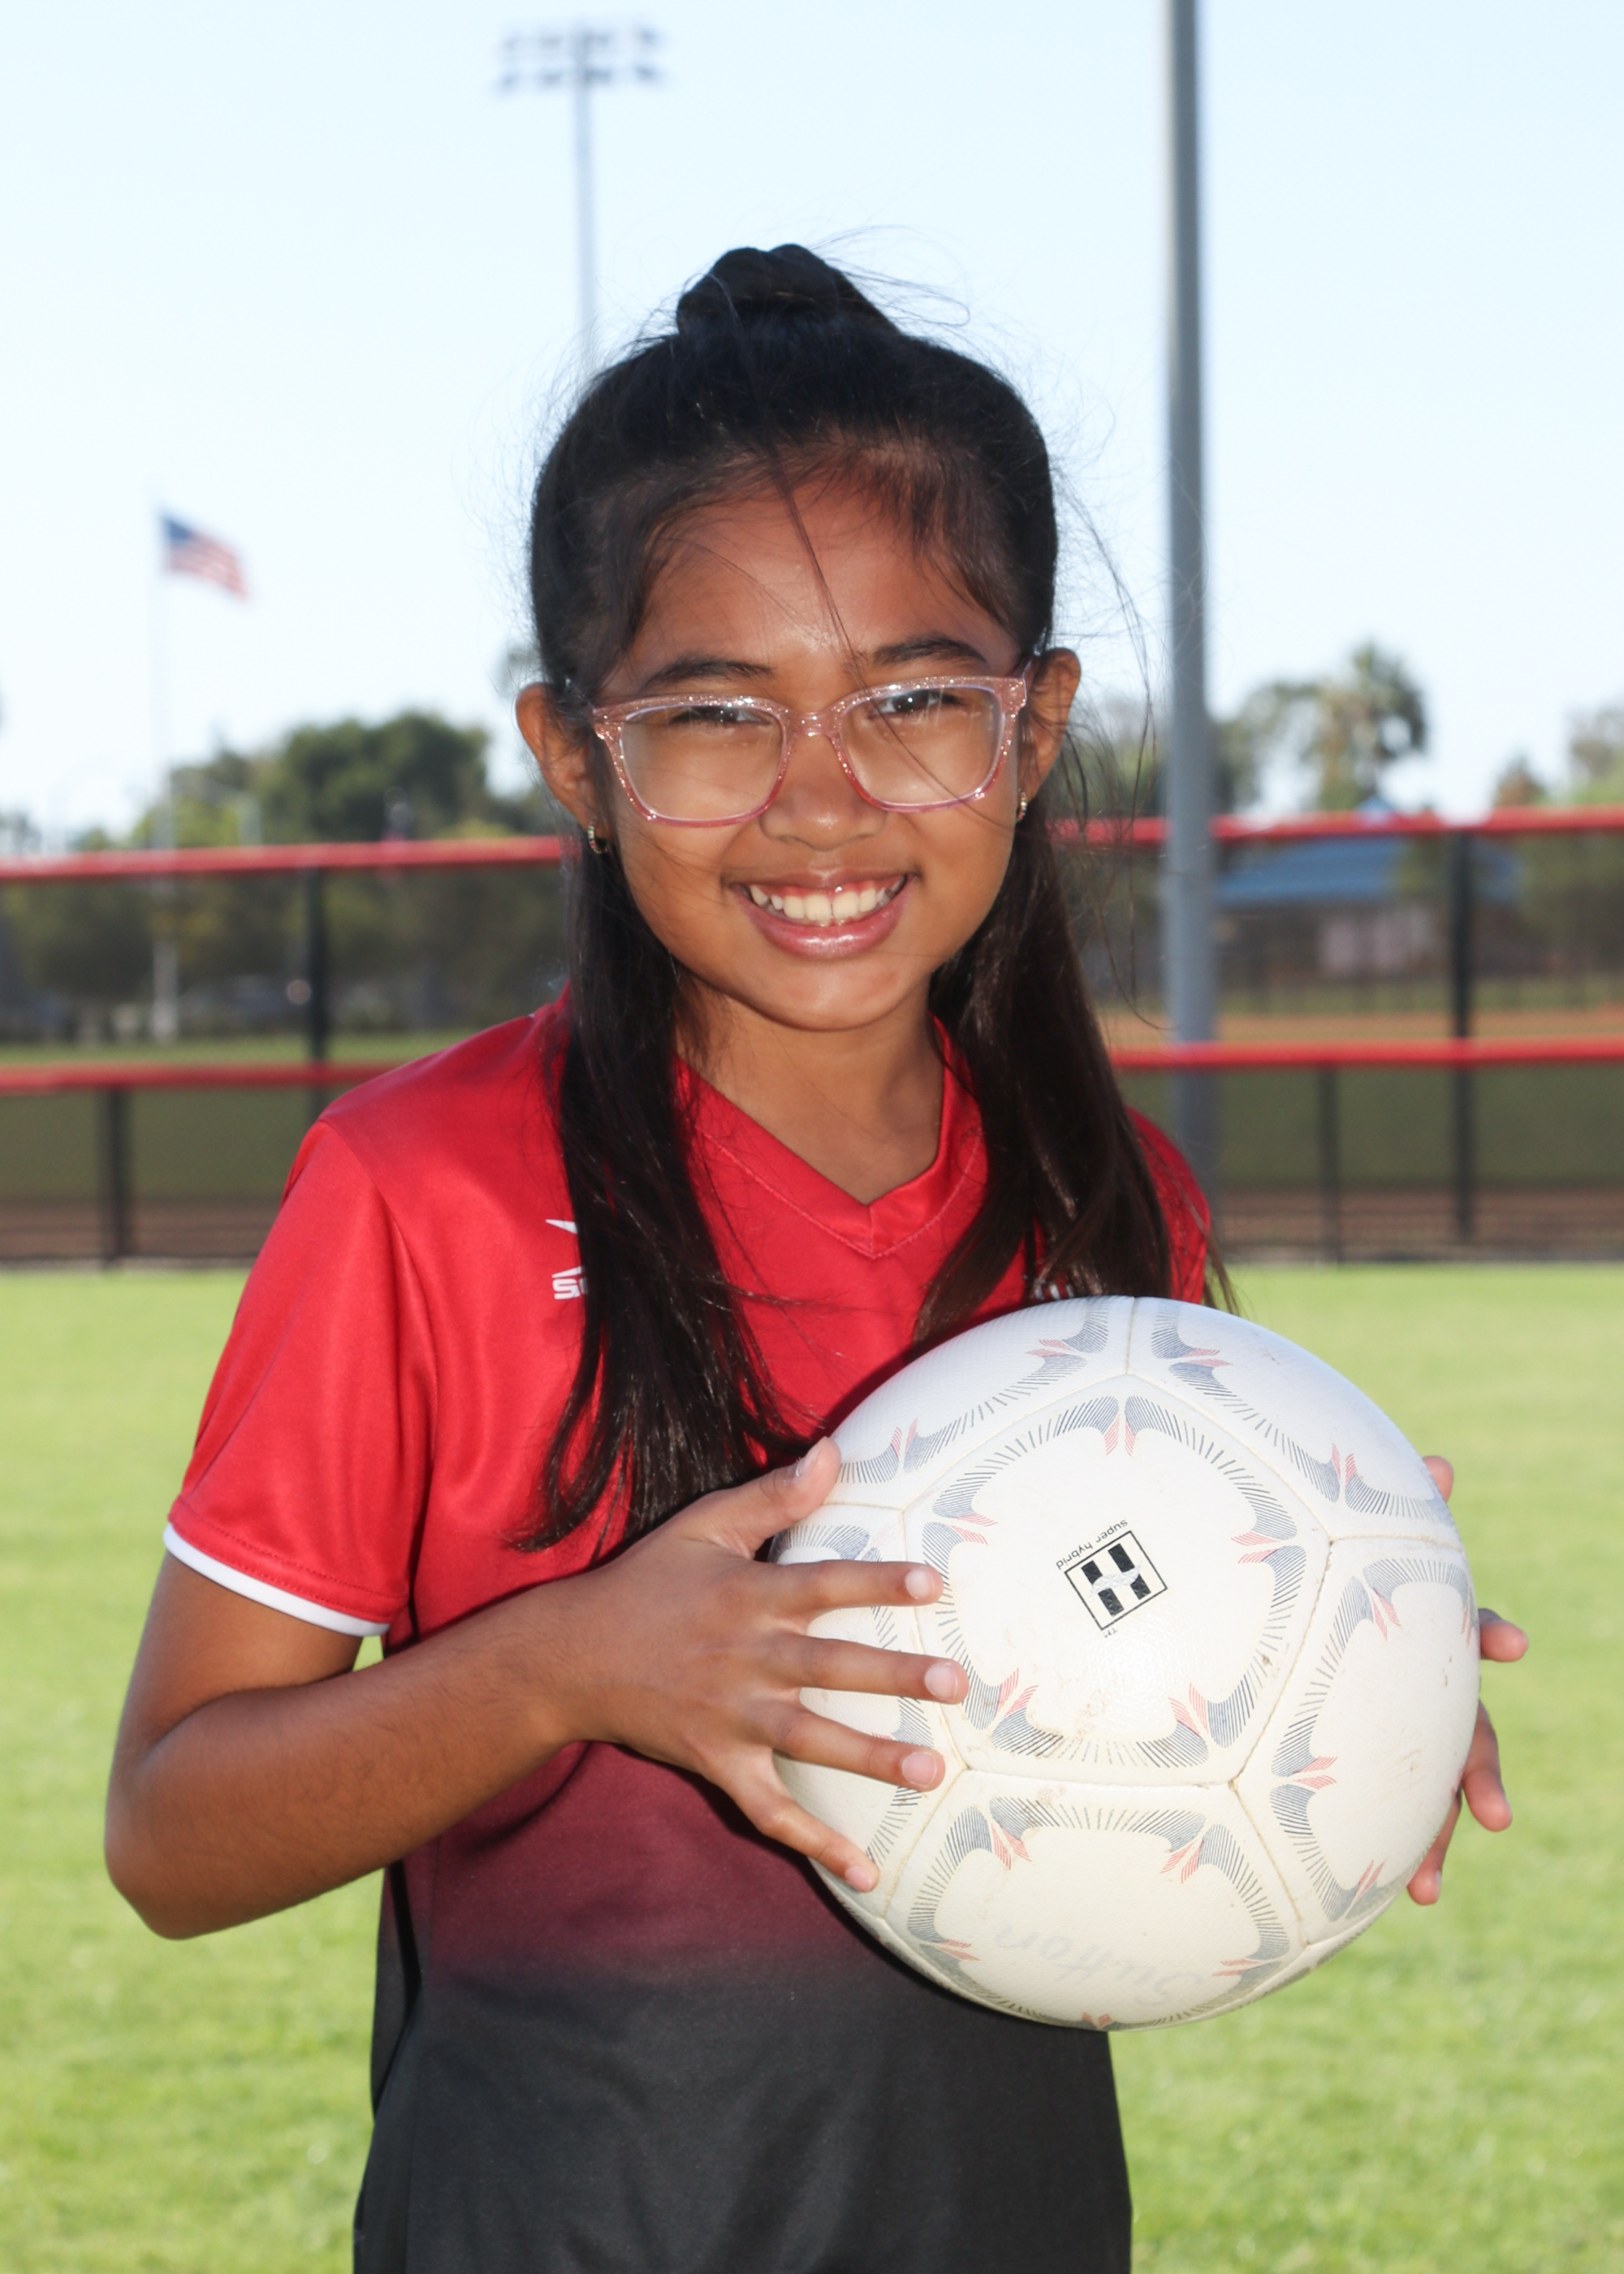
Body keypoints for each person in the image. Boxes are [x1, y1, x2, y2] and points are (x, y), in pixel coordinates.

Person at [105, 245, 1525, 2274]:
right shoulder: (425, 1188)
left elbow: (1130, 1684)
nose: (824, 797)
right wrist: (566, 1664)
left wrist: (1332, 1663)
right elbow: (171, 1832)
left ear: (1032, 730)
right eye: (715, 714)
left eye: (914, 700)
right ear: (576, 756)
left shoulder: (1109, 1206)